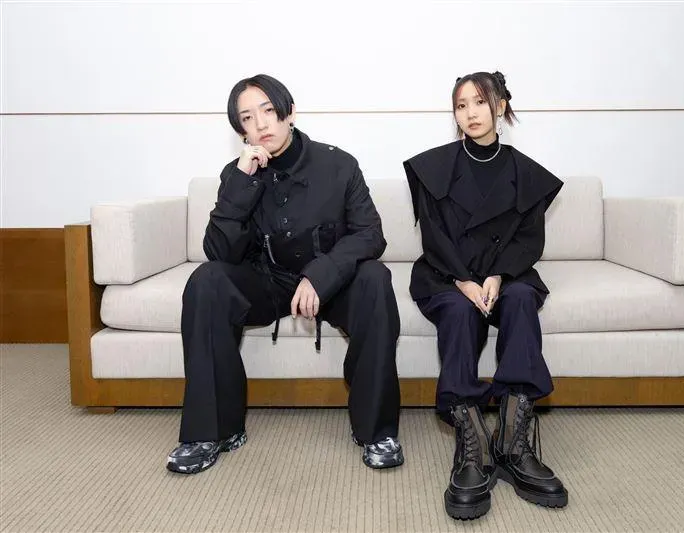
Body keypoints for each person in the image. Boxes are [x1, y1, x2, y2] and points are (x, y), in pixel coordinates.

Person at [166, 74, 404, 474]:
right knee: (207, 281)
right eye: (247, 118)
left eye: (268, 111)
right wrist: (242, 182)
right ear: (240, 130)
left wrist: (320, 276)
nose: (260, 124)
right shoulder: (237, 174)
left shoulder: (338, 164)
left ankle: (377, 432)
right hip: (269, 281)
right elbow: (219, 253)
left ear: (289, 112)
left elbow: (370, 234)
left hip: (331, 283)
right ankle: (211, 432)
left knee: (375, 280)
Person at [403, 71, 568, 519]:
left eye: (479, 102)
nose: (470, 113)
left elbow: (529, 239)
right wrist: (463, 279)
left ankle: (513, 442)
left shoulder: (525, 172)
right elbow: (433, 236)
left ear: (500, 106)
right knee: (459, 311)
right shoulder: (433, 166)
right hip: (446, 273)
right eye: (461, 105)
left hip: (504, 273)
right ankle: (472, 443)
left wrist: (497, 274)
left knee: (520, 299)